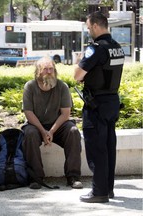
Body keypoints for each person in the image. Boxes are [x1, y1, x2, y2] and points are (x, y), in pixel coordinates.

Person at [74, 12, 125, 203]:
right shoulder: (117, 47)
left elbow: (78, 75)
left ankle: (99, 192)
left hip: (96, 104)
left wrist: (78, 61)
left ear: (96, 26)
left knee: (96, 149)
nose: (88, 31)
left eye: (88, 28)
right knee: (109, 147)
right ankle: (108, 189)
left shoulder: (96, 49)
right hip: (112, 102)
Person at [22, 56, 83, 190]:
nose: (49, 72)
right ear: (38, 72)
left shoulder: (62, 86)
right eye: (45, 69)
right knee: (29, 134)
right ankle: (36, 178)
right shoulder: (30, 86)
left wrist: (51, 132)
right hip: (36, 125)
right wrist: (43, 131)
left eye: (51, 69)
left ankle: (73, 176)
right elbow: (28, 113)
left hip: (58, 125)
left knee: (73, 132)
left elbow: (65, 114)